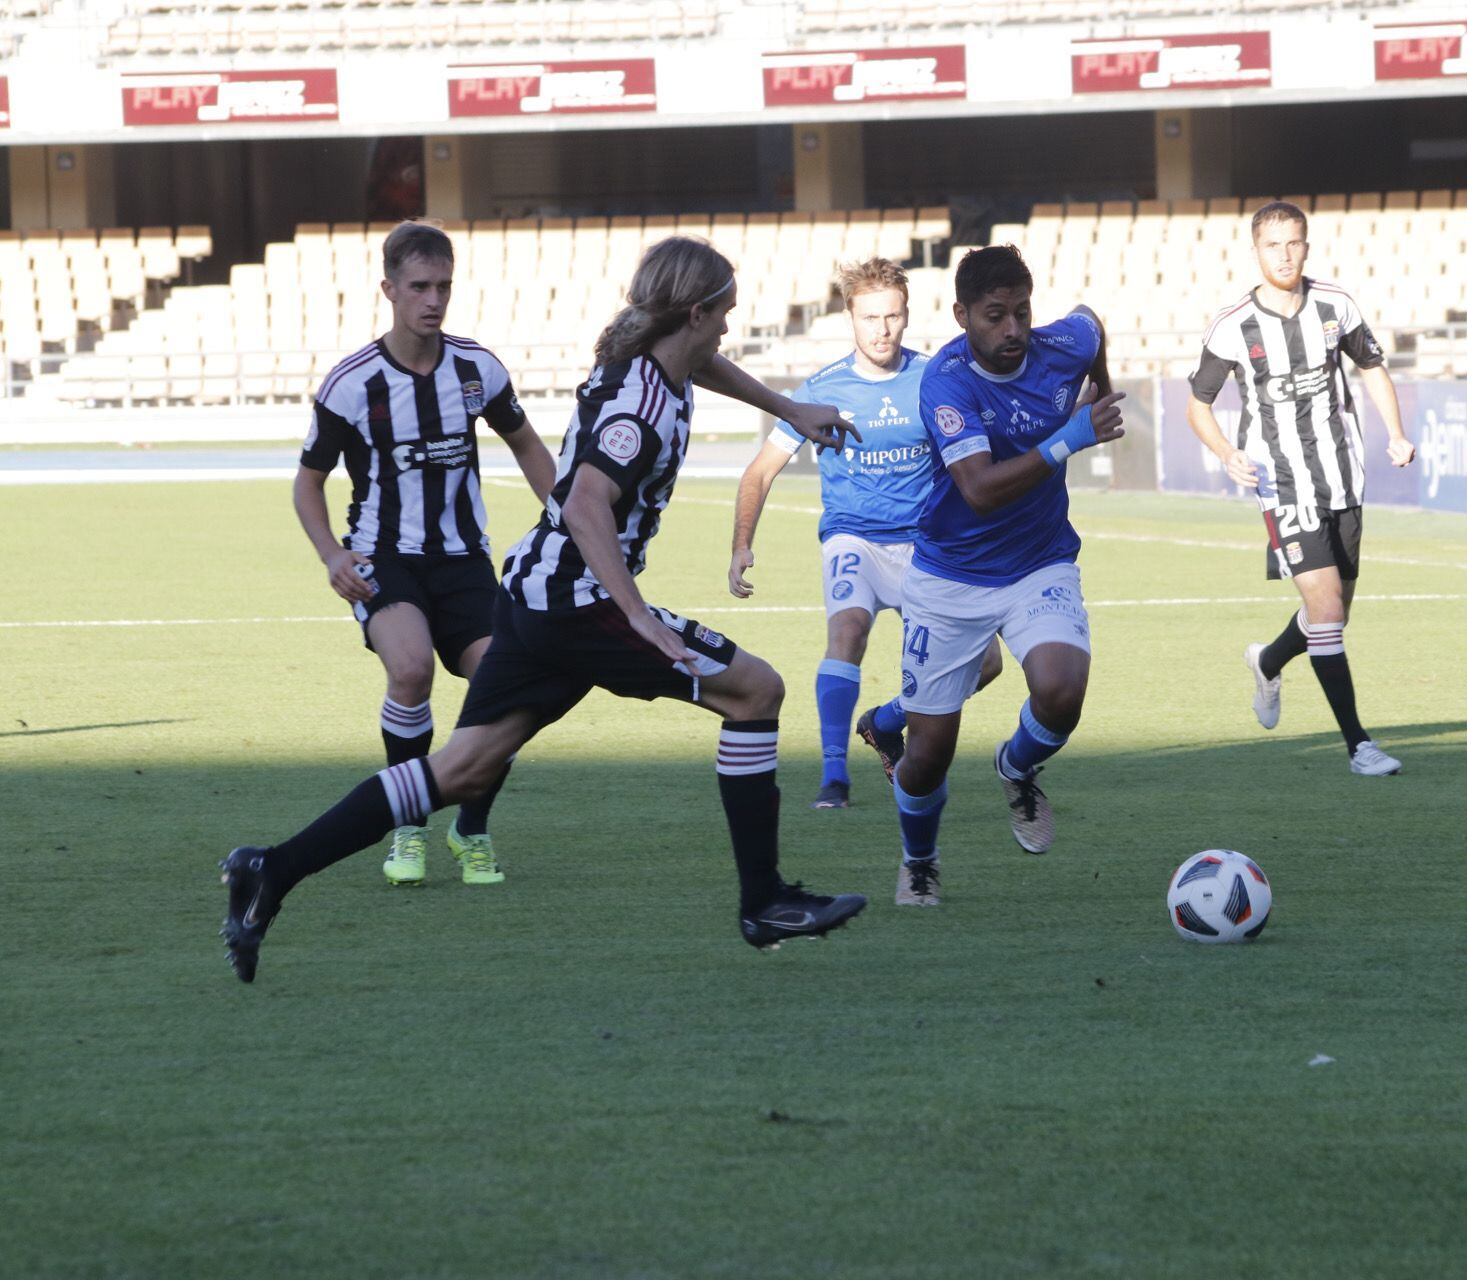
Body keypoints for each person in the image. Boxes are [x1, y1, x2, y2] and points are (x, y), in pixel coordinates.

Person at [221, 236, 868, 983]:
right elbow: (589, 502)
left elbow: (703, 361)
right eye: (722, 313)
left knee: (462, 771)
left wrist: (788, 406)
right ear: (694, 312)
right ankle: (765, 902)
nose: (727, 327)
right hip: (579, 605)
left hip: (535, 593)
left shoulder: (648, 355)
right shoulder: (640, 403)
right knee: (756, 691)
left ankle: (271, 869)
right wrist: (639, 616)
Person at [295, 220, 555, 887]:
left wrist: (567, 521)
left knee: (507, 685)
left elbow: (526, 444)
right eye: (419, 286)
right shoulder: (352, 383)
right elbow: (308, 482)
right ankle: (407, 829)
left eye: (443, 285)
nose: (433, 299)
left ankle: (471, 827)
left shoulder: (476, 368)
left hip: (465, 560)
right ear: (388, 289)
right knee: (410, 671)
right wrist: (331, 556)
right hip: (385, 558)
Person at [885, 244, 1125, 908]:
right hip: (949, 577)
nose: (1014, 330)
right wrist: (1070, 437)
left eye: (1021, 312)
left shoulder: (1061, 343)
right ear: (963, 314)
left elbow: (1093, 324)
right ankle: (919, 860)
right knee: (927, 754)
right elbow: (980, 489)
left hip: (1039, 561)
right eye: (995, 316)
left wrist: (1100, 391)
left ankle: (1016, 765)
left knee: (1062, 690)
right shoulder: (946, 381)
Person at [728, 258, 1001, 811]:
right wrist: (741, 546)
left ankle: (887, 720)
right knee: (848, 630)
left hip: (928, 547)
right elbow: (759, 471)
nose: (881, 329)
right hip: (854, 538)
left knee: (988, 662)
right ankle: (835, 777)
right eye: (870, 317)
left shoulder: (936, 379)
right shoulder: (821, 392)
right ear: (850, 318)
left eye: (892, 317)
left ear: (907, 316)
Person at [1186, 200, 1415, 777]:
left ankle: (1267, 660)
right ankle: (1359, 745)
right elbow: (1199, 405)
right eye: (1273, 245)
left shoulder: (1337, 305)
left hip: (1342, 476)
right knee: (1326, 606)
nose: (1284, 255)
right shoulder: (1234, 324)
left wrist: (1396, 432)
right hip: (1279, 480)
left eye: (1294, 243)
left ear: (1306, 247)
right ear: (1256, 250)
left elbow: (1370, 367)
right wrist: (1226, 452)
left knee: (1332, 617)